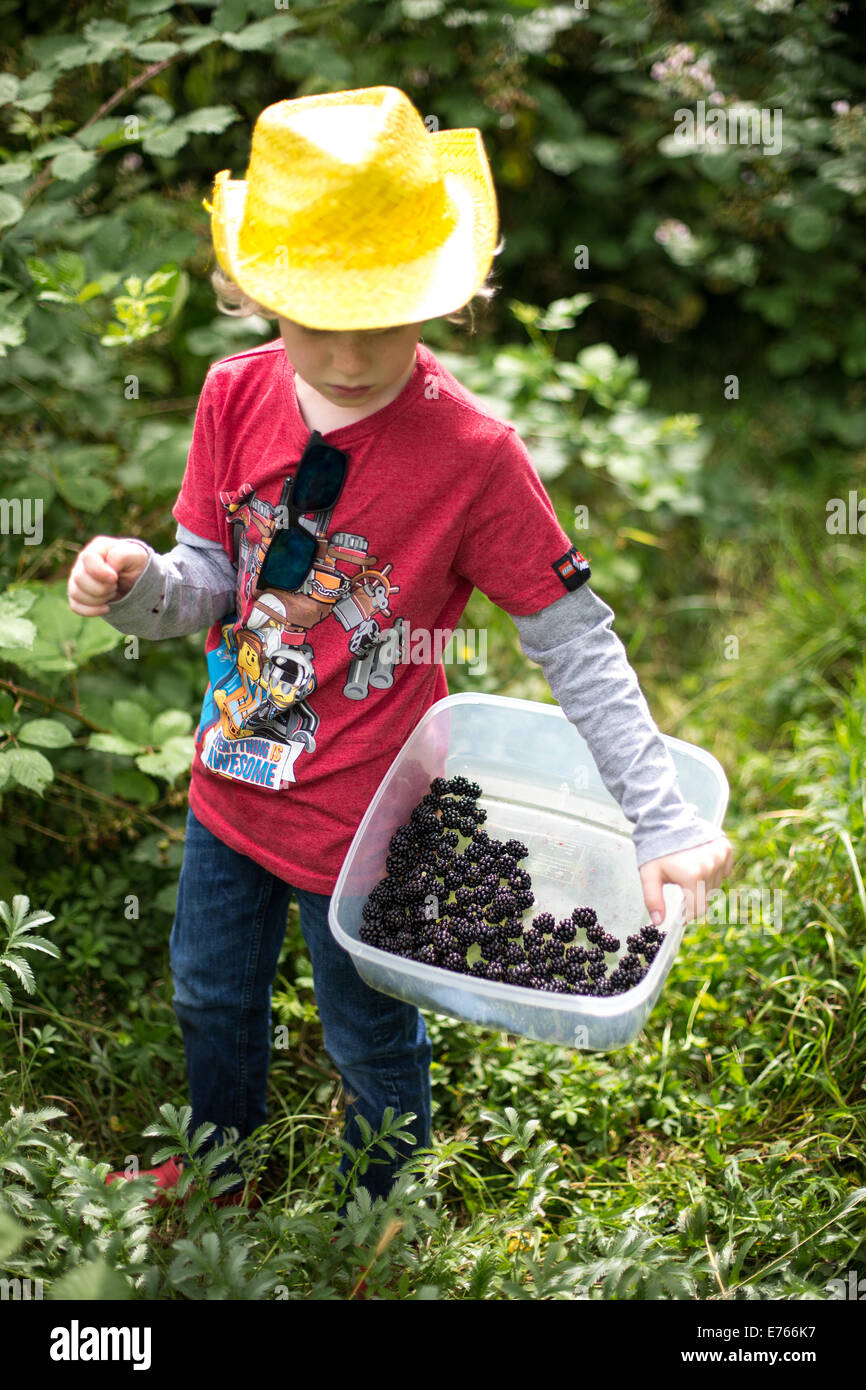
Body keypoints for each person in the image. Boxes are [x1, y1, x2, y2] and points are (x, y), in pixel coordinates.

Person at [66, 86, 733, 1210]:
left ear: (445, 290)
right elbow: (212, 586)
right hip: (232, 787)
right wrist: (136, 585)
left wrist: (660, 819)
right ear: (257, 293)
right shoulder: (232, 396)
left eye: (384, 314)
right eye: (315, 315)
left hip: (366, 826)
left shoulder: (471, 455)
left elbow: (572, 641)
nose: (349, 351)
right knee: (205, 996)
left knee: (368, 1039)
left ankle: (382, 1215)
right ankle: (220, 1175)